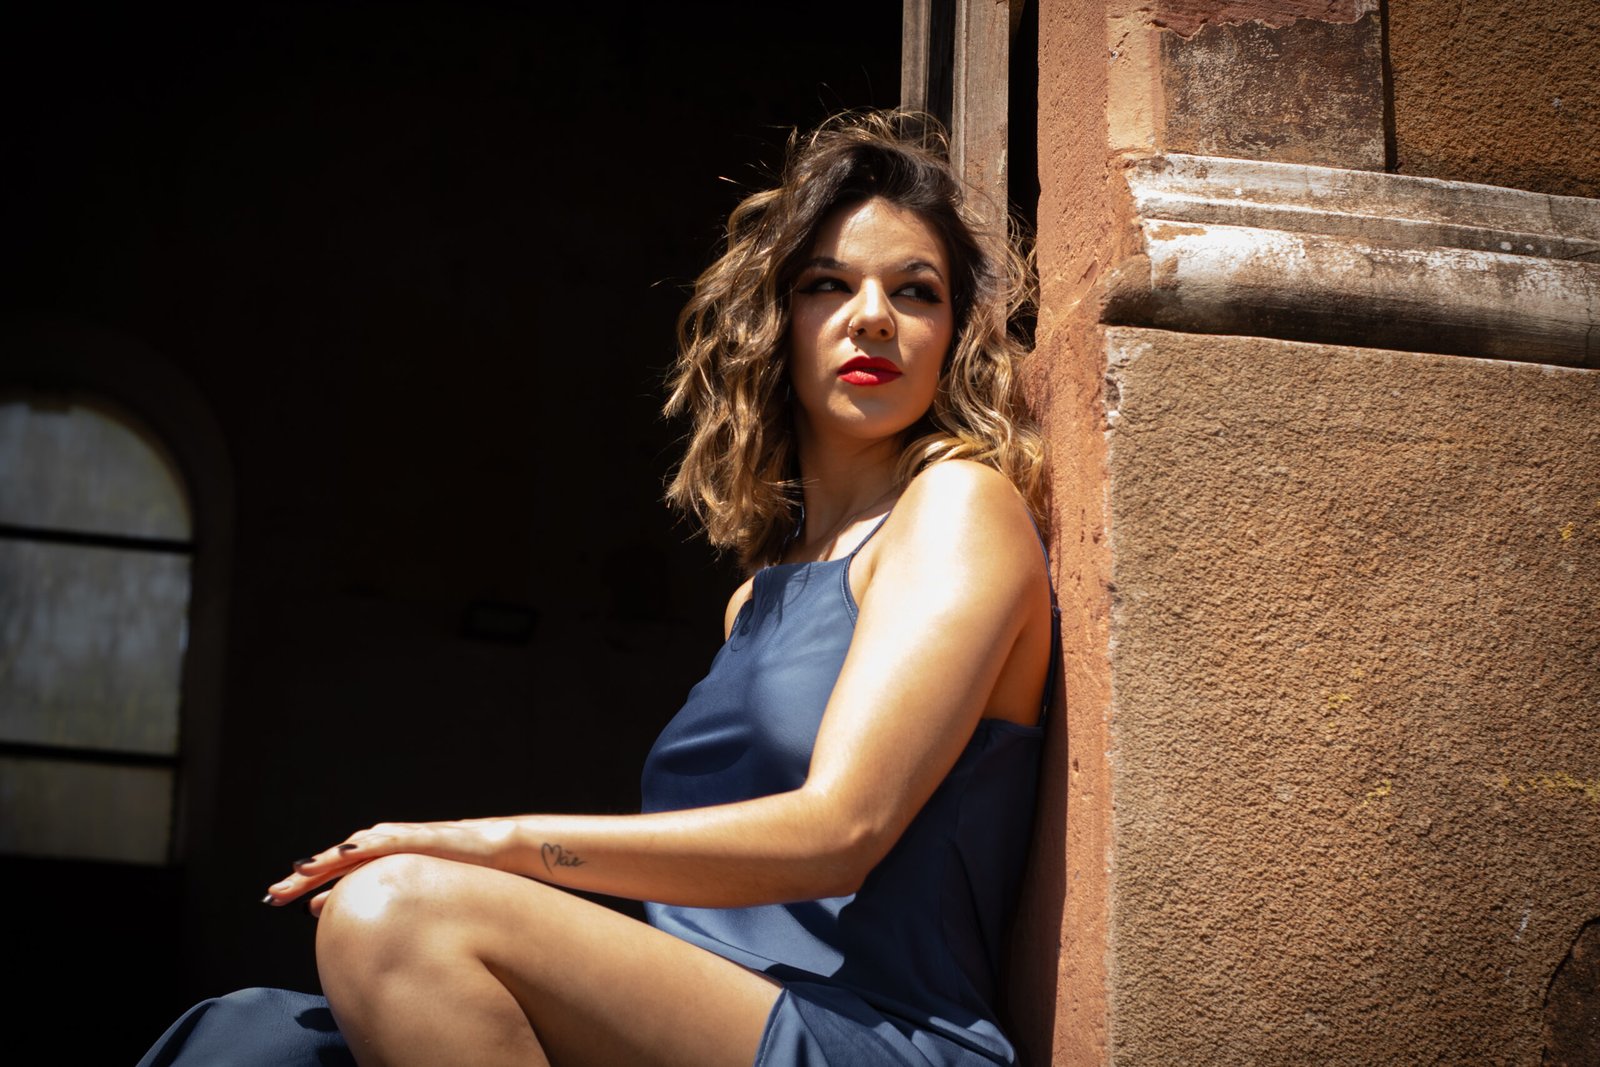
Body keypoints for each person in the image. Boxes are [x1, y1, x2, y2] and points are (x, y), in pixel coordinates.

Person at [137, 109, 1056, 1067]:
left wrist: (492, 843)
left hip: (874, 1034)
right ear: (774, 322)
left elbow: (842, 830)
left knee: (392, 910)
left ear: (953, 335)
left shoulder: (959, 506)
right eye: (829, 283)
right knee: (248, 1039)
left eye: (916, 292)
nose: (872, 315)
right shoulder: (757, 596)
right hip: (703, 1018)